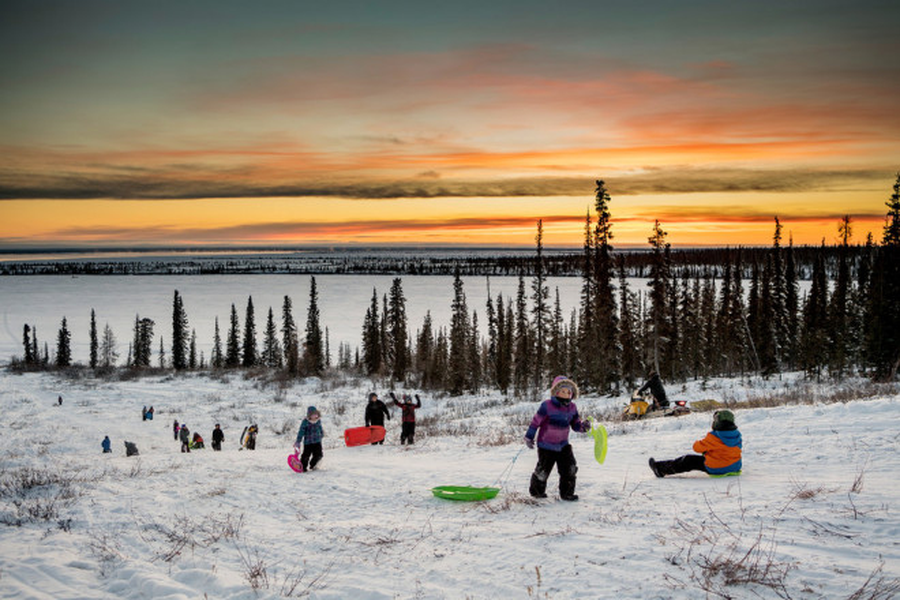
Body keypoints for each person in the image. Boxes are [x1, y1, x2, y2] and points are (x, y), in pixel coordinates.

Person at [524, 376, 590, 501]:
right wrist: (529, 436)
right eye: (563, 391)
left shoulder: (572, 408)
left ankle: (567, 493)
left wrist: (583, 427)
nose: (566, 394)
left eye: (569, 392)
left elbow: (575, 424)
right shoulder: (547, 406)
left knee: (569, 469)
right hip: (546, 445)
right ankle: (537, 492)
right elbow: (535, 422)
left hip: (563, 445)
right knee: (543, 471)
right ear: (556, 392)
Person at [648, 410, 742, 478]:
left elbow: (696, 448)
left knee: (688, 460)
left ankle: (660, 469)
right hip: (735, 467)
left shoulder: (714, 436)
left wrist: (700, 443)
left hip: (717, 469)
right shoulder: (737, 435)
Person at [295, 406, 324, 471]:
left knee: (319, 455)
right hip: (308, 442)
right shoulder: (305, 422)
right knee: (306, 456)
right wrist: (298, 441)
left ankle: (313, 465)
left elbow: (320, 428)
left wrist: (321, 434)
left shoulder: (318, 421)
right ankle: (303, 467)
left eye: (316, 414)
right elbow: (301, 431)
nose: (315, 416)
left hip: (317, 441)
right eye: (313, 414)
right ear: (309, 415)